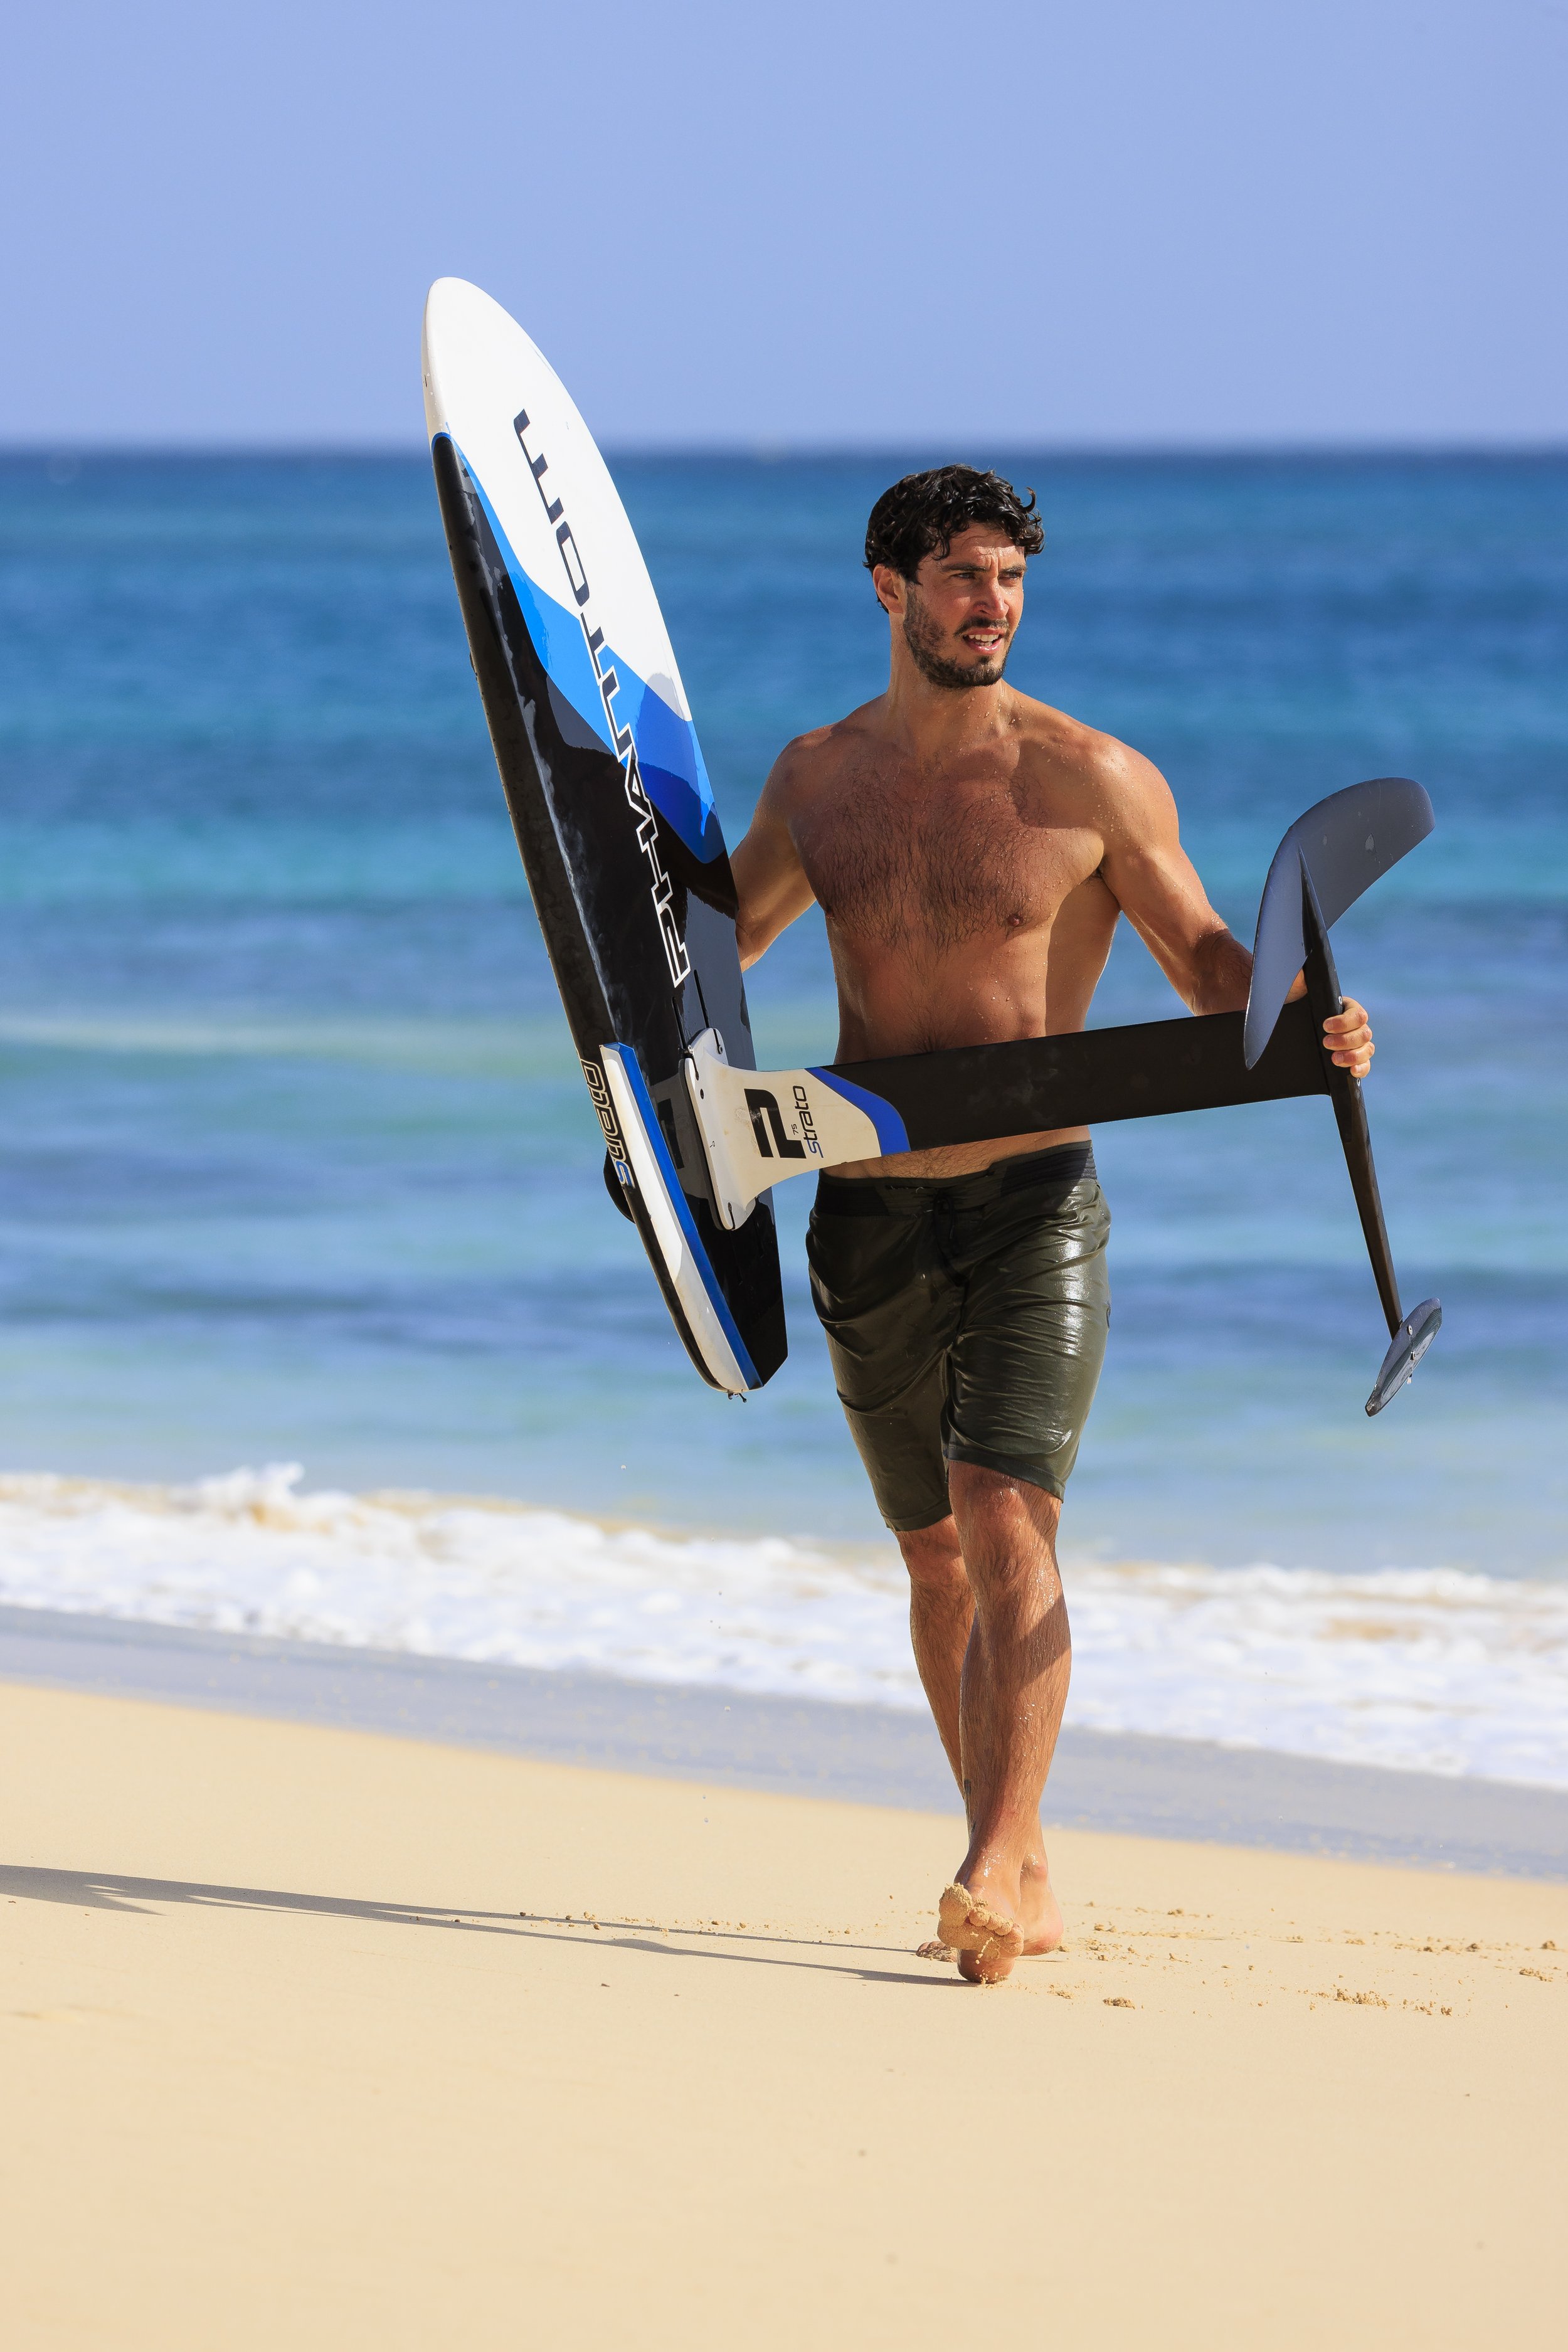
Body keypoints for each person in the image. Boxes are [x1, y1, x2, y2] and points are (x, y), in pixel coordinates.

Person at [728, 466, 1375, 1984]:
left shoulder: (1086, 777)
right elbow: (716, 939)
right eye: (960, 576)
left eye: (1009, 579)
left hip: (1032, 1200)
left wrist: (1300, 1014)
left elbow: (1205, 957)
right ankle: (1018, 1856)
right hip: (863, 1209)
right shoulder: (816, 781)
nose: (991, 605)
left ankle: (981, 1864)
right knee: (935, 1560)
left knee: (1006, 1514)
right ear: (889, 590)